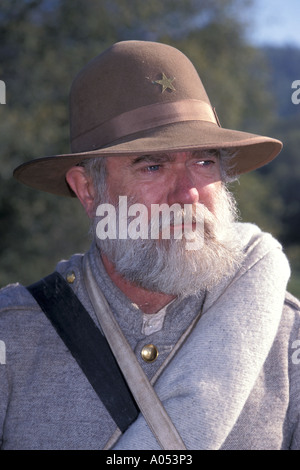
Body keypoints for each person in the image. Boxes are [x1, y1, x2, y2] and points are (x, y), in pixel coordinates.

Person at [1, 40, 300, 450]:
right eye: (153, 166)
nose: (189, 194)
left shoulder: (288, 341)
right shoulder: (12, 336)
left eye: (204, 162)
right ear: (88, 190)